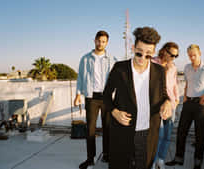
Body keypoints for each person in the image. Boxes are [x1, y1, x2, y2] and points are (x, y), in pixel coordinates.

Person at [103, 26, 172, 169]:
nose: (143, 58)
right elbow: (106, 95)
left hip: (148, 133)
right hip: (122, 131)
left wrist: (167, 103)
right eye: (139, 53)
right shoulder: (120, 68)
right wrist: (115, 112)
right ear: (133, 48)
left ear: (153, 53)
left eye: (148, 55)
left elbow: (164, 94)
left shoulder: (159, 71)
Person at [166, 44, 204, 169]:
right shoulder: (187, 67)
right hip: (188, 104)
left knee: (200, 135)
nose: (192, 57)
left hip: (201, 105)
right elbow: (188, 82)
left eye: (194, 55)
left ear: (200, 53)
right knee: (181, 132)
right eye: (190, 55)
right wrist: (185, 96)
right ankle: (178, 158)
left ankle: (198, 162)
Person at [74, 30, 116, 169]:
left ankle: (107, 155)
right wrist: (78, 94)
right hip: (91, 98)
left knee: (108, 128)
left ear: (107, 43)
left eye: (103, 41)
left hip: (107, 98)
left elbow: (116, 80)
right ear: (94, 41)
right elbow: (80, 77)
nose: (100, 43)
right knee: (90, 129)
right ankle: (90, 159)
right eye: (98, 40)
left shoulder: (111, 59)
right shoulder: (85, 58)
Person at [151, 42, 180, 169]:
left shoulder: (173, 67)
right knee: (158, 134)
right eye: (172, 55)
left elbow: (174, 85)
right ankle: (152, 160)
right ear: (164, 51)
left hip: (171, 104)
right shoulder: (152, 63)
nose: (173, 58)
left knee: (167, 135)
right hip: (157, 104)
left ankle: (161, 159)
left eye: (176, 56)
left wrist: (177, 100)